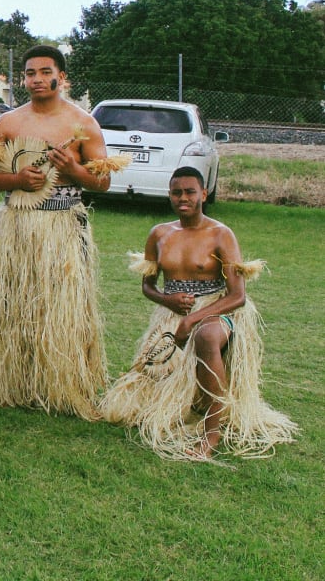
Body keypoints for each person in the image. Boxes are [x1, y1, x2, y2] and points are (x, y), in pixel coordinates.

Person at [100, 168, 298, 460]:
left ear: (203, 194)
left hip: (218, 310)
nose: (183, 198)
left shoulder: (221, 234)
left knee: (205, 337)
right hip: (172, 314)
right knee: (137, 402)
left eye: (190, 192)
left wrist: (193, 318)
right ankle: (183, 402)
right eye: (176, 192)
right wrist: (167, 299)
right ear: (170, 195)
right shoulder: (160, 233)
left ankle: (212, 432)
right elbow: (148, 286)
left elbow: (238, 296)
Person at [0, 44, 122, 420]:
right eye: (30, 73)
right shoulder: (8, 122)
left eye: (45, 72)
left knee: (62, 307)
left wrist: (74, 172)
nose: (37, 80)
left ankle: (63, 383)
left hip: (63, 227)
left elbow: (102, 183)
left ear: (62, 76)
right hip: (17, 226)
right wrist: (17, 179)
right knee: (17, 303)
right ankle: (17, 383)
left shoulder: (83, 124)